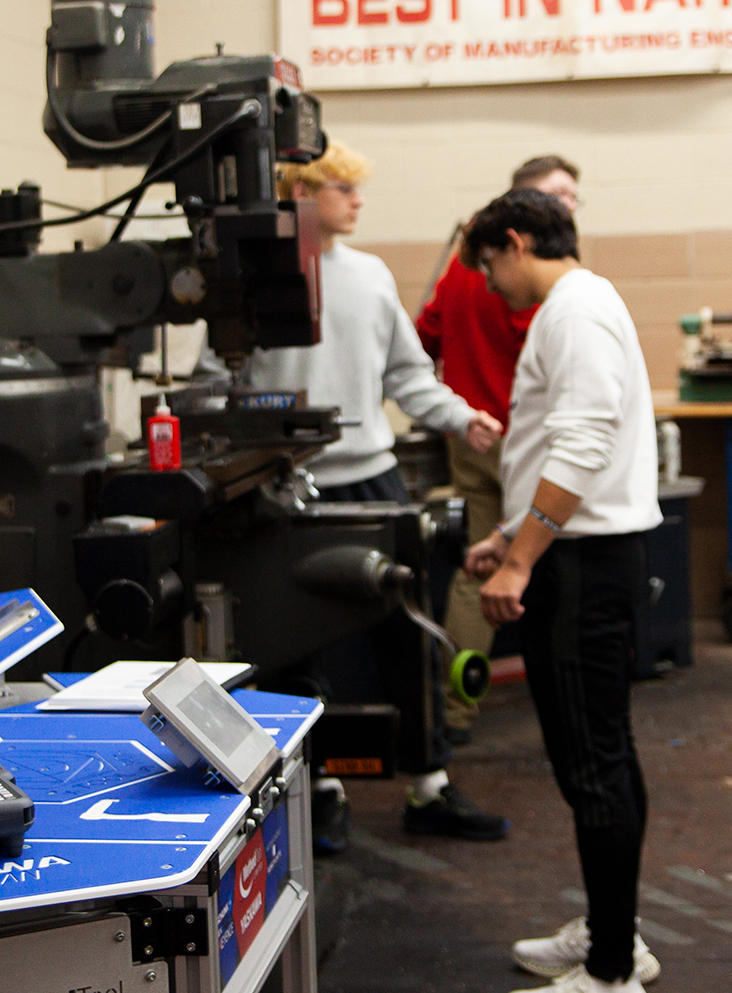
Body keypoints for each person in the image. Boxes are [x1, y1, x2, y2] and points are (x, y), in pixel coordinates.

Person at [244, 138, 509, 849]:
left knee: (410, 632)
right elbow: (221, 377)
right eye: (342, 188)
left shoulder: (369, 275)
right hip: (287, 489)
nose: (358, 200)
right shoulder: (253, 279)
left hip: (372, 479)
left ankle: (430, 785)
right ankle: (320, 792)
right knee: (298, 649)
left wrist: (462, 417)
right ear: (300, 191)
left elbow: (409, 376)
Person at [458, 190, 663, 993]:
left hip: (581, 567)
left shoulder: (573, 312)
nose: (487, 282)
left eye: (488, 263)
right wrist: (513, 536)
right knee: (607, 757)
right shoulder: (579, 306)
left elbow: (583, 446)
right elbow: (572, 447)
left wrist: (522, 562)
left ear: (515, 241)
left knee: (593, 768)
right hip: (579, 552)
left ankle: (612, 974)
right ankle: (617, 935)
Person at [414, 155, 581, 744]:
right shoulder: (530, 283)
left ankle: (452, 712)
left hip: (467, 436)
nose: (571, 209)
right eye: (561, 196)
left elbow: (422, 337)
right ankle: (553, 706)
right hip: (519, 441)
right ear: (524, 221)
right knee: (529, 561)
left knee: (476, 568)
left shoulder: (463, 269)